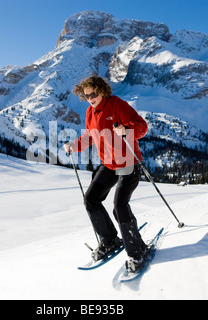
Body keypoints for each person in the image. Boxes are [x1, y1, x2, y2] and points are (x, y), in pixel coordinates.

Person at [64, 75, 148, 272]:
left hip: (129, 164)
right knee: (91, 199)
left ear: (102, 91)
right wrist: (73, 146)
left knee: (119, 205)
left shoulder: (117, 105)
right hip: (109, 165)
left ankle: (137, 251)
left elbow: (142, 127)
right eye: (86, 96)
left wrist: (126, 130)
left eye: (92, 94)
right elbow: (89, 136)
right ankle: (109, 239)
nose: (90, 98)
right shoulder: (90, 112)